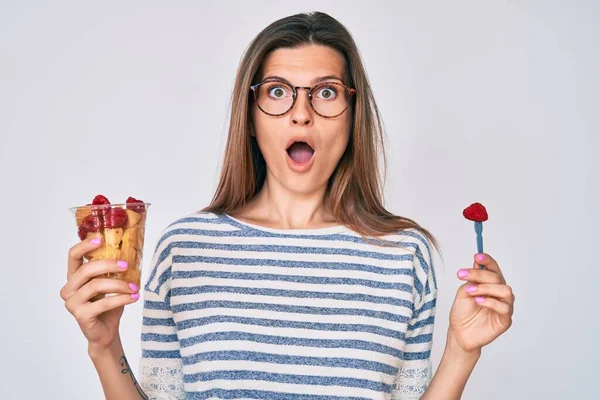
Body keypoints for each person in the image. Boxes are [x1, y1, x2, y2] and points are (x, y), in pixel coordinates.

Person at [60, 11, 514, 400]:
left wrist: (461, 351)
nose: (302, 113)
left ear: (354, 118)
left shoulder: (404, 254)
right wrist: (104, 346)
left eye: (327, 92)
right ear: (251, 116)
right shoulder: (184, 248)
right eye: (278, 92)